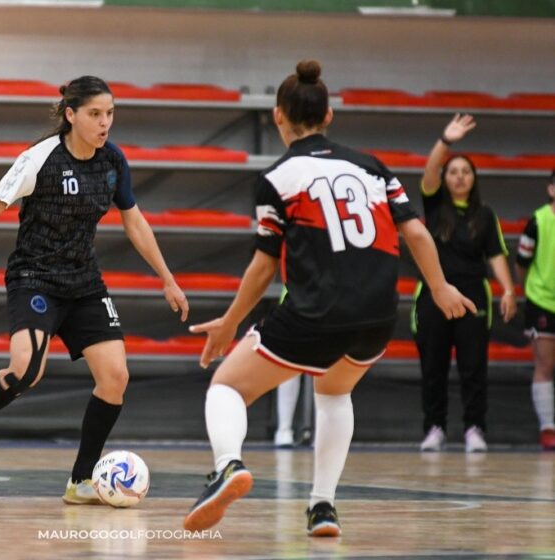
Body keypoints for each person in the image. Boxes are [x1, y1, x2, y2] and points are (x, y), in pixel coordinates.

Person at [182, 60, 475, 537]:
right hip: (377, 315)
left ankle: (227, 466)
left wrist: (231, 321)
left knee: (227, 387)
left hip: (316, 311)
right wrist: (440, 289)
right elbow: (417, 233)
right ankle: (322, 507)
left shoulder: (278, 177)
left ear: (278, 116)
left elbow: (263, 266)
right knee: (335, 392)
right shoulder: (373, 167)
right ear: (329, 115)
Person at [0, 76, 189, 504]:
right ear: (71, 115)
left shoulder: (113, 161)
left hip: (84, 283)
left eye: (110, 113)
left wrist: (167, 278)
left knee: (115, 377)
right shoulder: (39, 159)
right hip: (34, 278)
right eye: (95, 114)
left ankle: (80, 481)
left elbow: (134, 221)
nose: (104, 122)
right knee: (26, 370)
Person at [415, 114, 517, 454]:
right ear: (445, 179)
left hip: (474, 295)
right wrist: (446, 141)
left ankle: (475, 428)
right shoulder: (434, 205)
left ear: (474, 179)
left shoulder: (485, 215)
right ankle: (434, 428)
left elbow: (496, 255)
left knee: (474, 367)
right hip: (434, 294)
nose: (459, 176)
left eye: (466, 171)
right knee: (433, 367)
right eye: (453, 171)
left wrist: (508, 289)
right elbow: (430, 170)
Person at [516, 170, 555, 450]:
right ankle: (548, 428)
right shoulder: (538, 221)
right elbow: (521, 263)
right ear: (551, 189)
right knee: (545, 365)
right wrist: (530, 290)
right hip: (542, 301)